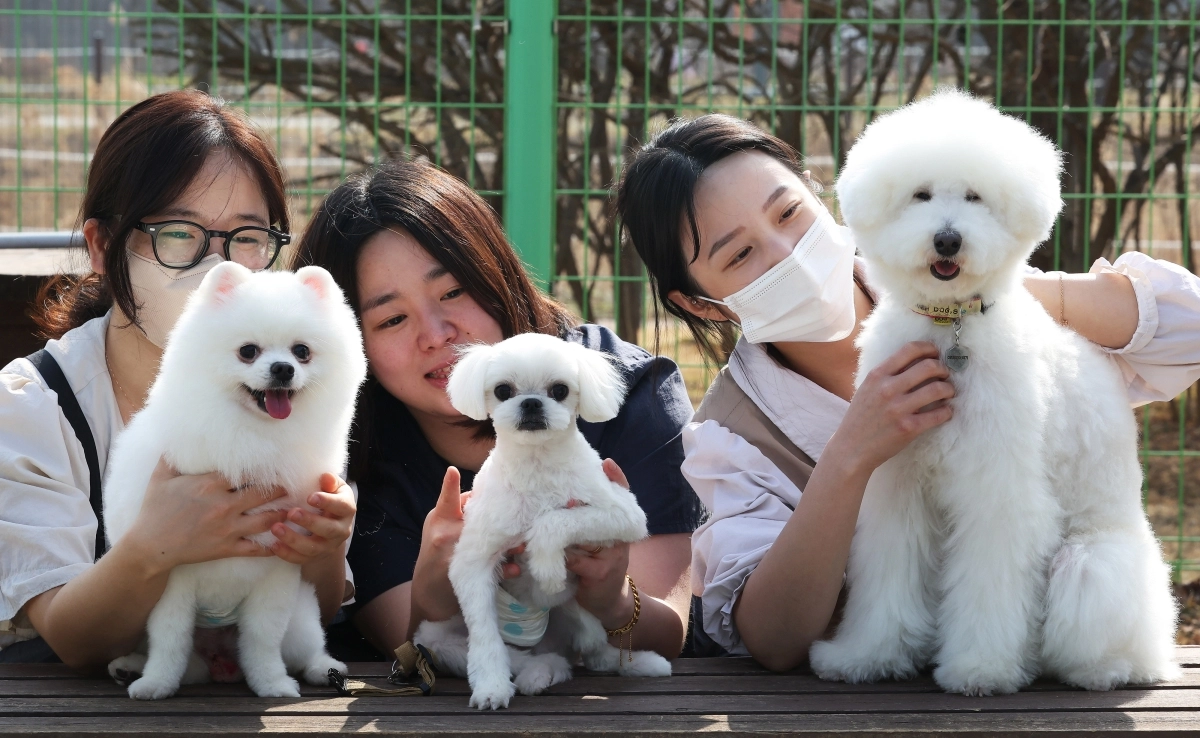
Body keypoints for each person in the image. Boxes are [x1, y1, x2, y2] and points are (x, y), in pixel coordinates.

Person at [614, 113, 1200, 670]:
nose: (787, 252)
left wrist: (989, 300)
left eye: (790, 212)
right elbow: (771, 637)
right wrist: (851, 456)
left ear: (825, 196)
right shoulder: (728, 434)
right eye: (741, 254)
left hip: (1070, 634)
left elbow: (1190, 330)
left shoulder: (967, 275)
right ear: (698, 303)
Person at [291, 157, 704, 661]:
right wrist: (433, 590)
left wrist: (611, 599)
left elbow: (668, 635)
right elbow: (412, 647)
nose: (437, 334)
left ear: (497, 273)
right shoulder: (353, 452)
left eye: (454, 291)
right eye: (393, 318)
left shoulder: (630, 392)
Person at [0, 90, 356, 667]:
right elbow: (70, 636)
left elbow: (319, 608)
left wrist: (321, 550)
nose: (216, 266)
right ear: (103, 245)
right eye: (178, 232)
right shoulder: (36, 408)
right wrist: (149, 550)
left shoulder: (289, 397)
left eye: (246, 238)